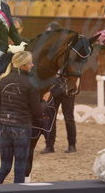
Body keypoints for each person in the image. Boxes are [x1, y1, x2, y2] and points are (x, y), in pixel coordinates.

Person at [0, 51, 45, 184]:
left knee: (4, 167)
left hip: (3, 127)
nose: (32, 65)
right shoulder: (30, 82)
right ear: (23, 65)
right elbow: (37, 111)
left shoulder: (2, 79)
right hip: (21, 128)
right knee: (20, 168)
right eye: (30, 63)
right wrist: (44, 101)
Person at [42, 21, 77, 154]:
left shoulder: (68, 50)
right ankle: (49, 145)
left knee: (69, 117)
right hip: (52, 88)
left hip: (66, 87)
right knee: (50, 117)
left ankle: (72, 144)